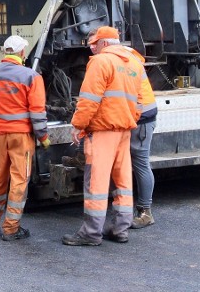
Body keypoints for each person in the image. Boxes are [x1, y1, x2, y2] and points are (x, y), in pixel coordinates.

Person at [62, 26, 143, 246]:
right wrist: (128, 118)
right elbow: (141, 101)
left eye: (94, 44)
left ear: (105, 43)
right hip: (124, 130)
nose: (92, 49)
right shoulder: (135, 63)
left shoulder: (100, 62)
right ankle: (120, 229)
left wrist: (78, 126)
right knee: (123, 181)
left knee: (96, 183)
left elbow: (89, 100)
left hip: (103, 131)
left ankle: (91, 233)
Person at [0, 35, 48, 241]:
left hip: (0, 133)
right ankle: (11, 228)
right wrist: (44, 137)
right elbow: (37, 112)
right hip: (21, 136)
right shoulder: (31, 76)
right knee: (19, 180)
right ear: (22, 53)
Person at [125, 46, 157, 229]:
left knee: (141, 163)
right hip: (138, 117)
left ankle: (145, 212)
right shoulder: (129, 58)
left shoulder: (123, 62)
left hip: (141, 119)